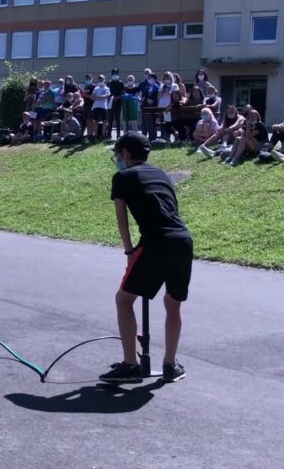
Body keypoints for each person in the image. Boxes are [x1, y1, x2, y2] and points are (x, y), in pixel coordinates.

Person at [100, 132, 192, 384]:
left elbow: (122, 219)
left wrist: (129, 252)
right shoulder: (161, 174)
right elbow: (171, 209)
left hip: (156, 242)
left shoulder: (122, 177)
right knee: (173, 303)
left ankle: (130, 365)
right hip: (182, 239)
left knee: (124, 299)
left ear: (126, 153)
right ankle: (170, 365)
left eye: (118, 154)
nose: (118, 159)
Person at [91, 75, 111, 141]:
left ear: (104, 80)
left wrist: (98, 97)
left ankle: (103, 135)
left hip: (103, 107)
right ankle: (95, 135)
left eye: (101, 79)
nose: (100, 81)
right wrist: (100, 97)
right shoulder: (95, 88)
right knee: (95, 121)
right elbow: (93, 97)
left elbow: (106, 96)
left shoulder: (107, 88)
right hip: (96, 107)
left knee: (105, 121)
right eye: (99, 79)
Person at [108, 68, 125, 138]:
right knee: (110, 119)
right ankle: (109, 134)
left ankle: (118, 135)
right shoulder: (109, 83)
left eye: (115, 73)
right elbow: (107, 92)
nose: (114, 75)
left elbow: (123, 93)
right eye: (113, 73)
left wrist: (117, 97)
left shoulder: (121, 83)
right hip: (111, 103)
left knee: (117, 119)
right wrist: (110, 98)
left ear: (118, 74)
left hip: (118, 103)